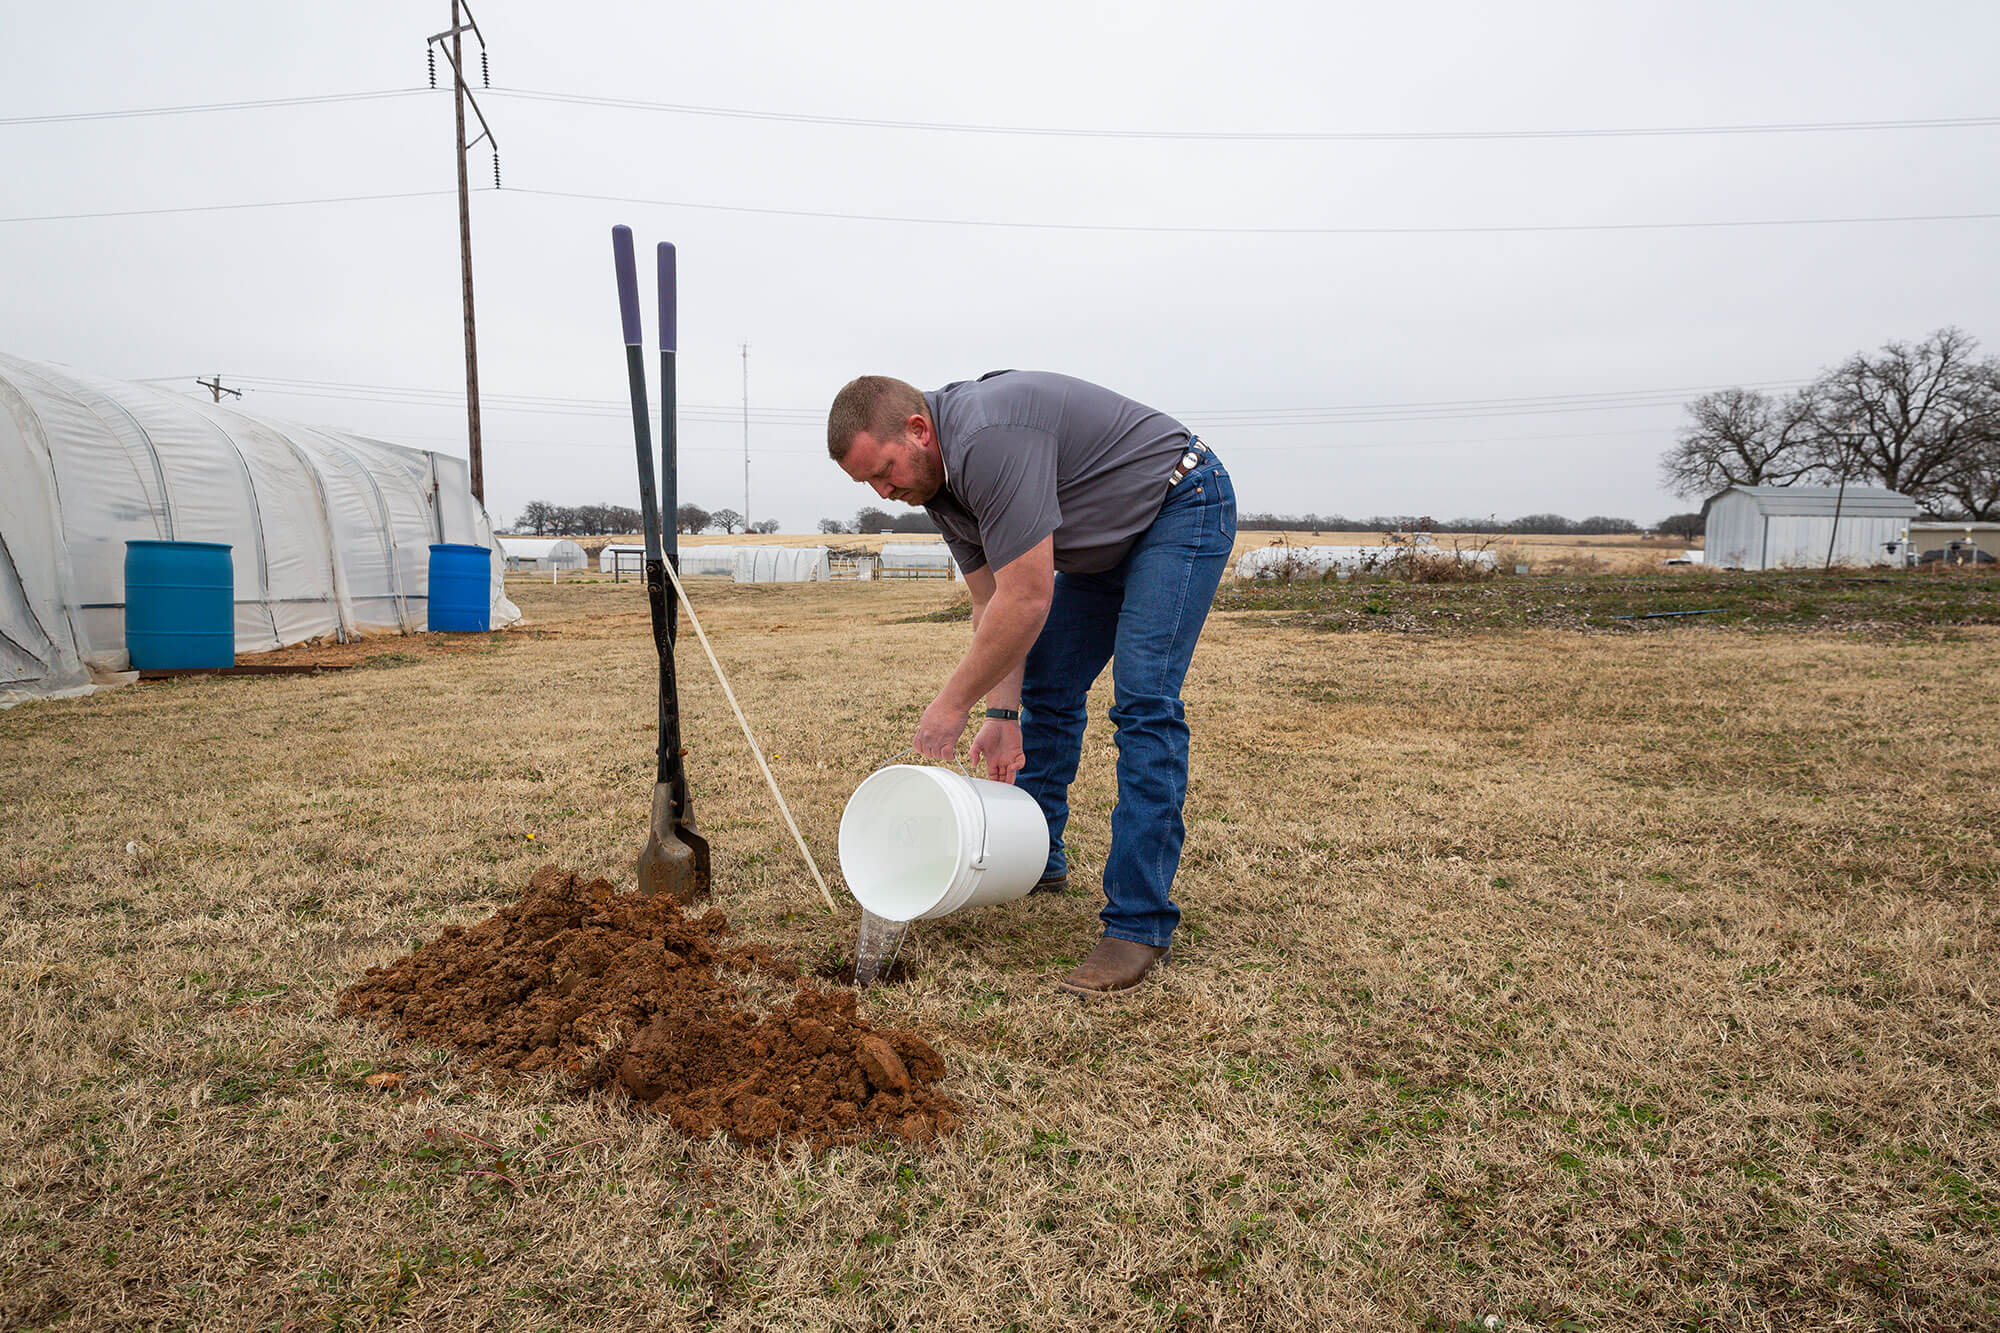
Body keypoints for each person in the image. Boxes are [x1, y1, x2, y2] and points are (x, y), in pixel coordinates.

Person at [827, 370, 1236, 996]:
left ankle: (1137, 925)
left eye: (884, 471)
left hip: (1178, 503)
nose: (885, 493)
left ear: (918, 430)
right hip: (1098, 548)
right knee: (1048, 685)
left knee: (1144, 701)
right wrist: (1002, 715)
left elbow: (1027, 598)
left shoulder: (988, 439)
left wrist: (952, 704)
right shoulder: (938, 487)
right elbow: (991, 603)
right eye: (869, 484)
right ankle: (1034, 855)